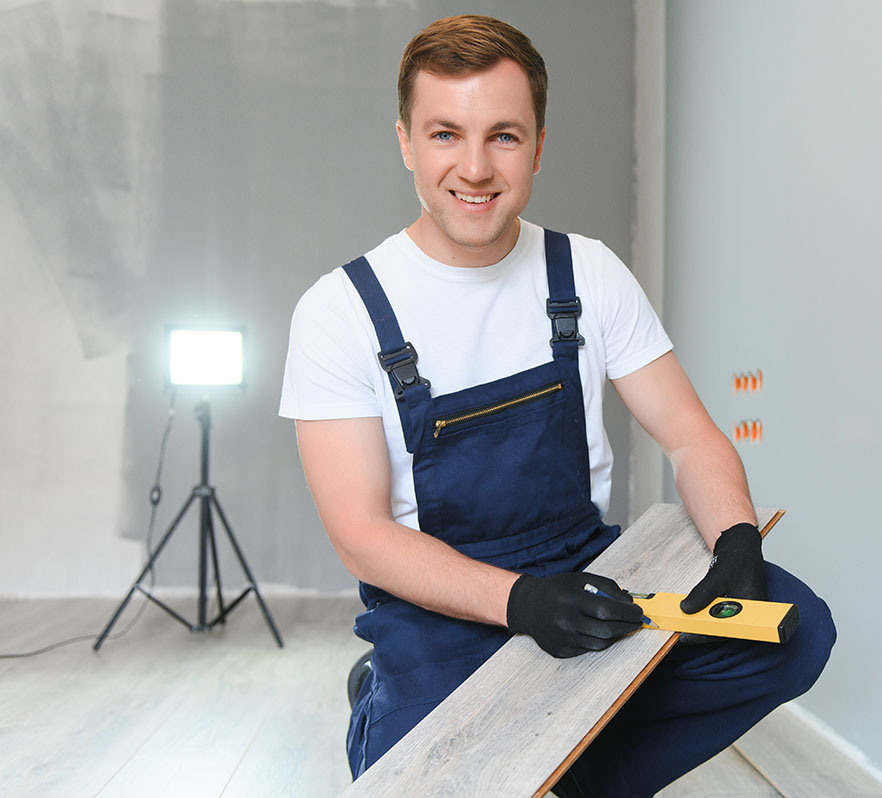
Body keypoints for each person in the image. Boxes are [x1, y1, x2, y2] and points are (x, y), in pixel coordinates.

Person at [280, 14, 835, 797]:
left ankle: (555, 768)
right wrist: (517, 602)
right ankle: (384, 698)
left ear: (538, 146)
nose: (474, 168)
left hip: (586, 575)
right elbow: (363, 537)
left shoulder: (587, 273)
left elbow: (690, 437)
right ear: (406, 141)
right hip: (440, 610)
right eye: (446, 135)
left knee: (797, 631)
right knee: (420, 780)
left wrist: (737, 542)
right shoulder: (340, 312)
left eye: (503, 136)